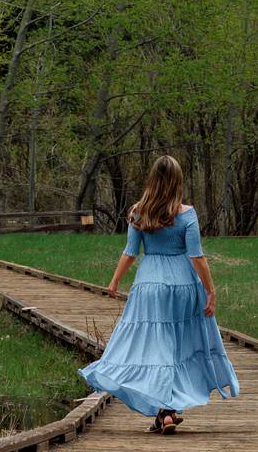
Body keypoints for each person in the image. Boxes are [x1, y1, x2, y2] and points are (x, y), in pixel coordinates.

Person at [80, 154, 240, 435]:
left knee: (154, 347)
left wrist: (114, 281)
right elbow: (197, 257)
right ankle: (168, 409)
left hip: (149, 285)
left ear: (152, 180)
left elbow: (130, 252)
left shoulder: (138, 212)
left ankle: (164, 411)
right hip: (182, 285)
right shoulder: (186, 214)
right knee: (178, 346)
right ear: (178, 181)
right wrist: (210, 290)